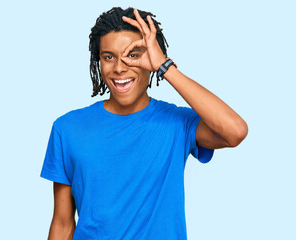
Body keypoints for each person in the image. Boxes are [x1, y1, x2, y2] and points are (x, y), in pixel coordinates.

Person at [40, 6, 248, 240]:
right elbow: (62, 223)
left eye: (133, 55)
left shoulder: (178, 123)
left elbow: (235, 131)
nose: (119, 68)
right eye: (109, 57)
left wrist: (165, 67)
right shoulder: (67, 128)